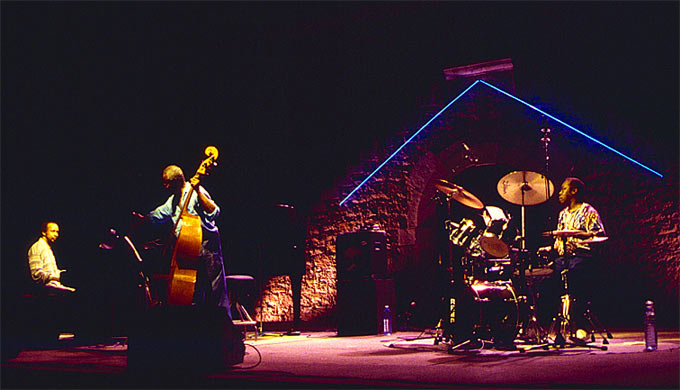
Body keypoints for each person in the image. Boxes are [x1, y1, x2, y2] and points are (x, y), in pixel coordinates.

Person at [139, 165, 231, 318]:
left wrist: (198, 190)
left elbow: (215, 212)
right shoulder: (174, 199)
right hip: (189, 247)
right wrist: (144, 219)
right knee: (195, 288)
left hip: (207, 244)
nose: (165, 186)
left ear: (176, 181)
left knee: (216, 286)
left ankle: (226, 326)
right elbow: (161, 213)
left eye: (167, 183)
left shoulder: (196, 192)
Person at [539, 177, 606, 335]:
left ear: (574, 191)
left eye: (563, 189)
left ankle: (581, 325)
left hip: (582, 257)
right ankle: (550, 324)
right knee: (546, 280)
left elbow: (599, 235)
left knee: (575, 278)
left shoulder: (588, 211)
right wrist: (549, 248)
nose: (560, 193)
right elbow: (559, 239)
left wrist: (580, 235)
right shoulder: (562, 214)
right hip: (563, 259)